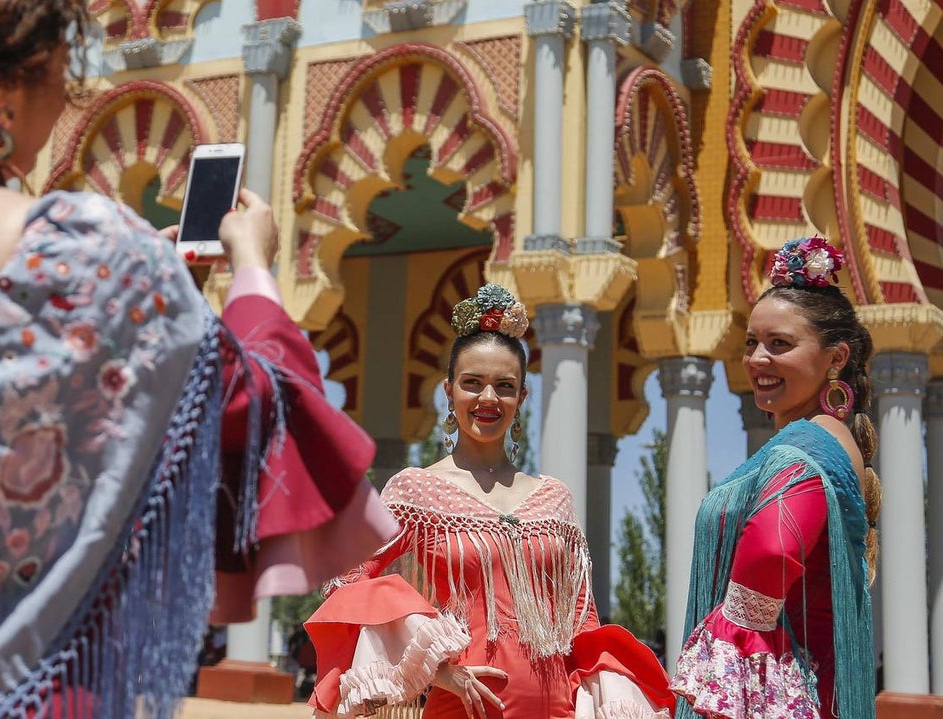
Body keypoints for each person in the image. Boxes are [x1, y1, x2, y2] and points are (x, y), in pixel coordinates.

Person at [0, 0, 396, 716]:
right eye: (60, 66)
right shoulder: (79, 258)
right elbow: (260, 412)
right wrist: (251, 267)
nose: (68, 95)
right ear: (0, 86)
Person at [305, 284, 675, 719]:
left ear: (521, 397)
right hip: (465, 705)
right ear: (449, 390)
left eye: (504, 386)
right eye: (472, 383)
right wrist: (435, 668)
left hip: (557, 706)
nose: (487, 399)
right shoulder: (416, 490)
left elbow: (580, 618)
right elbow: (347, 583)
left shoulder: (554, 498)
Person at [671, 237, 881, 719]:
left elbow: (771, 551)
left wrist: (732, 648)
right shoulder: (821, 440)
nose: (757, 360)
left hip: (784, 696)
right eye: (751, 343)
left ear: (836, 358)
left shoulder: (807, 448)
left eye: (780, 344)